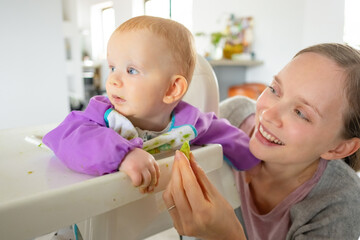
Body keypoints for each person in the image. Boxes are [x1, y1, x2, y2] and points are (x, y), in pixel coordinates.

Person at [43, 15, 259, 194]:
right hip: (92, 212)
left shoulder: (190, 123)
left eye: (131, 70)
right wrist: (123, 154)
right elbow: (64, 136)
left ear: (172, 89)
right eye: (112, 68)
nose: (113, 80)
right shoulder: (103, 114)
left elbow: (227, 135)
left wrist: (253, 165)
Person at [163, 43, 360, 240]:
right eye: (274, 90)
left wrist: (226, 235)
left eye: (300, 113)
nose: (268, 114)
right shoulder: (231, 118)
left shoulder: (340, 207)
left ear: (339, 147)